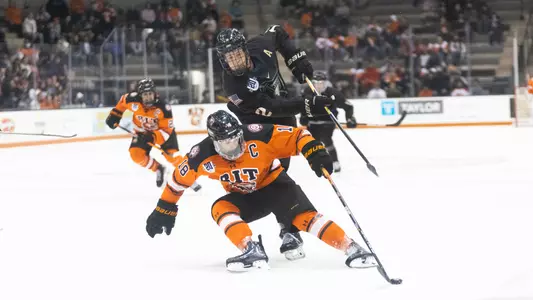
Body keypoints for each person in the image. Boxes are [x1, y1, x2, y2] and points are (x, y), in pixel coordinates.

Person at [144, 110, 377, 272]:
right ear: (214, 141)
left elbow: (298, 135)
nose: (233, 147)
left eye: (236, 140)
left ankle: (351, 247)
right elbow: (177, 181)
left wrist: (314, 151)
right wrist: (164, 207)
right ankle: (250, 249)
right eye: (225, 143)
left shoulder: (258, 133)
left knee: (304, 218)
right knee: (220, 207)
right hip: (246, 198)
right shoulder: (200, 155)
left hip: (275, 185)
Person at [215, 26, 334, 254]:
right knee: (271, 174)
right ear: (223, 59)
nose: (235, 61)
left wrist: (295, 59)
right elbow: (270, 107)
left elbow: (277, 31)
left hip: (284, 115)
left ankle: (287, 227)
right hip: (251, 125)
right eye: (229, 57)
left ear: (245, 50)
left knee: (281, 173)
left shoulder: (260, 46)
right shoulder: (233, 85)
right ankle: (289, 227)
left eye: (237, 53)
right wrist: (307, 104)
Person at [105, 78, 201, 191]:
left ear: (154, 93)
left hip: (163, 134)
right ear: (140, 95)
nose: (148, 97)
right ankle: (158, 168)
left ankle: (190, 178)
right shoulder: (132, 99)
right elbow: (122, 102)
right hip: (141, 132)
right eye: (145, 94)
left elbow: (167, 130)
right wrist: (115, 115)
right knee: (136, 155)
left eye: (150, 93)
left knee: (173, 158)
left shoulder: (164, 107)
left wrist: (152, 137)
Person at [300, 71, 357, 173]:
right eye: (316, 83)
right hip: (312, 123)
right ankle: (319, 163)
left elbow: (348, 106)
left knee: (326, 139)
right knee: (313, 143)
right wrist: (303, 117)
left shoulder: (333, 93)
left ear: (326, 83)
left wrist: (350, 118)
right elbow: (301, 106)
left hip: (328, 122)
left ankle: (335, 162)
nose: (318, 86)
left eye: (321, 83)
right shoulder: (308, 92)